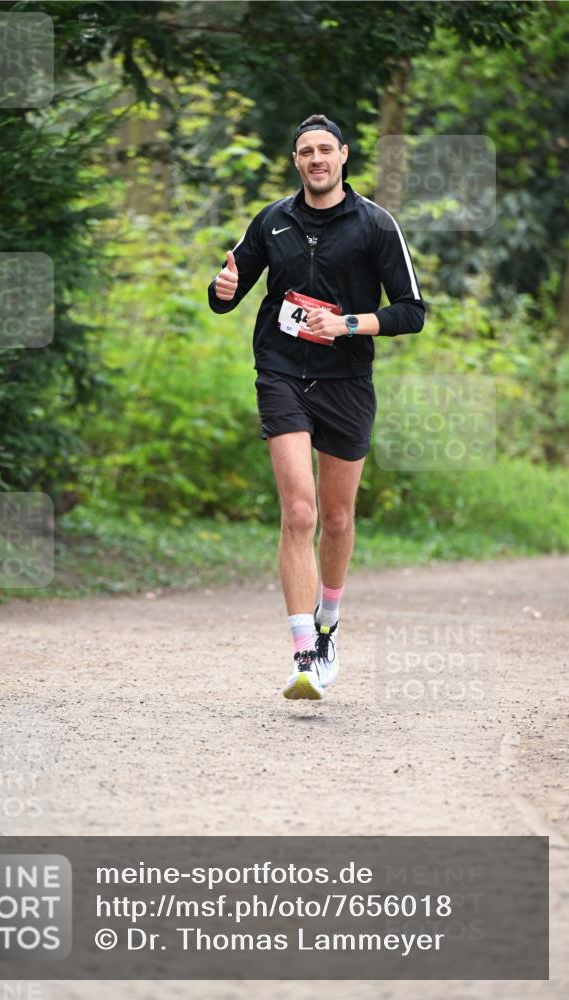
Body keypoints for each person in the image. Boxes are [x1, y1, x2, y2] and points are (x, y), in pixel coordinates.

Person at [207, 114, 426, 701]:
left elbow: (412, 311)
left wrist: (348, 324)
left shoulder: (375, 224)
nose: (316, 159)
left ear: (344, 155)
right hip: (281, 373)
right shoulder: (272, 220)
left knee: (336, 517)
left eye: (325, 149)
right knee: (299, 513)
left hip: (346, 381)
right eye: (306, 151)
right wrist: (221, 291)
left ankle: (329, 623)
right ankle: (304, 653)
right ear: (296, 161)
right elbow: (228, 290)